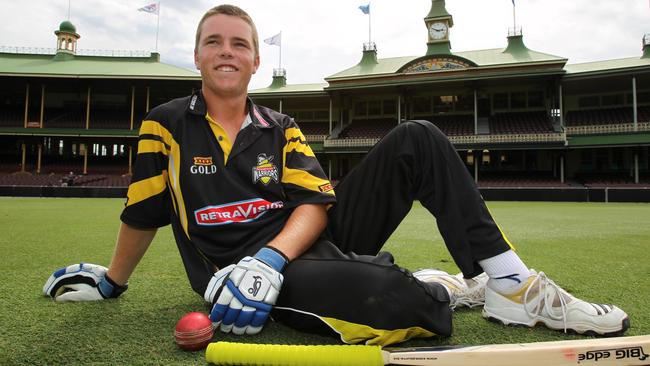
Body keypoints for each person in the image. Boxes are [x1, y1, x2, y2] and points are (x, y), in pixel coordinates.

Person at [43, 4, 629, 346]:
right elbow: (143, 211)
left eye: (240, 44)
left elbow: (316, 203)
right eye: (213, 42)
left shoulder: (280, 122)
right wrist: (113, 283)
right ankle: (446, 287)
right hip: (233, 278)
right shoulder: (165, 124)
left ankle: (511, 285)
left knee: (417, 137)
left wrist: (271, 257)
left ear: (254, 60)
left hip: (292, 248)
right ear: (198, 56)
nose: (227, 51)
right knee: (406, 304)